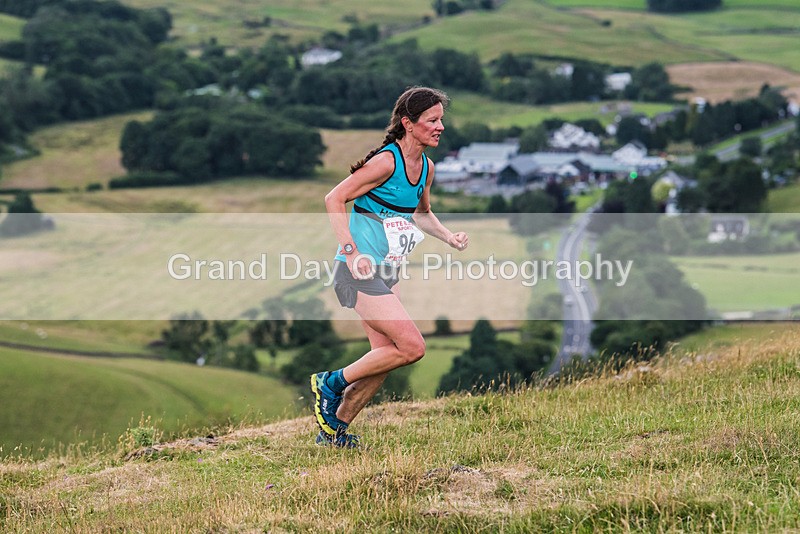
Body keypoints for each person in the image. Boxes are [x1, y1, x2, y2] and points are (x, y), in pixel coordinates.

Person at [310, 86, 469, 448]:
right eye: (432, 120)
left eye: (441, 119)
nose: (440, 126)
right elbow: (333, 198)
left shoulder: (426, 167)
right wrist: (350, 252)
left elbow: (421, 213)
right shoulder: (386, 161)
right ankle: (330, 383)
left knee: (383, 359)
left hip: (387, 272)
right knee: (413, 347)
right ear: (408, 124)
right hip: (356, 270)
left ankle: (332, 433)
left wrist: (449, 237)